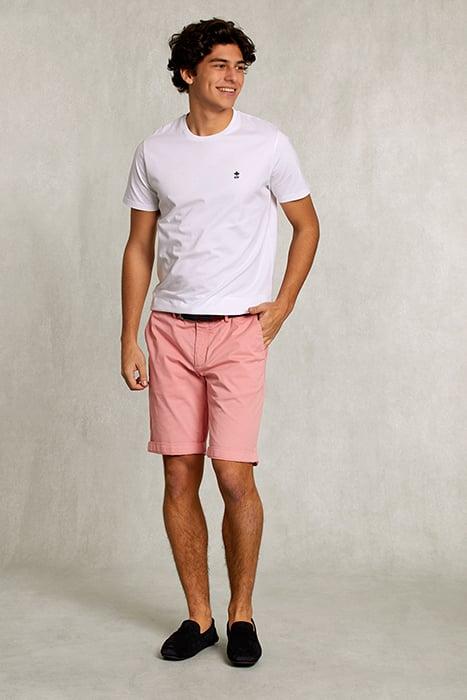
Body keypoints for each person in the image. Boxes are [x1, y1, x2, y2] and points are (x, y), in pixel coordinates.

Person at [120, 17, 320, 666]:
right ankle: (199, 617)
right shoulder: (155, 150)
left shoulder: (267, 144)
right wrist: (129, 336)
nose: (233, 78)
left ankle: (241, 615)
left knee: (234, 475)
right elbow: (139, 246)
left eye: (240, 67)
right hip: (171, 331)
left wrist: (282, 305)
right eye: (220, 66)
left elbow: (307, 225)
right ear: (187, 73)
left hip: (238, 332)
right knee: (179, 472)